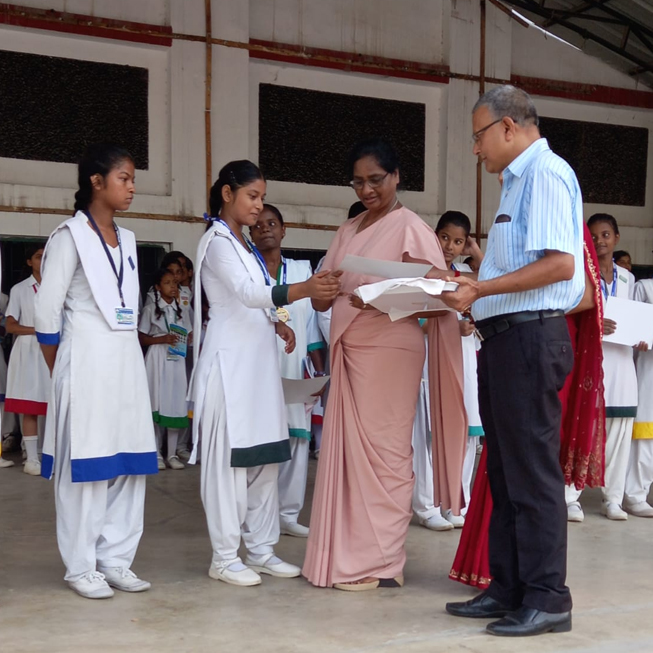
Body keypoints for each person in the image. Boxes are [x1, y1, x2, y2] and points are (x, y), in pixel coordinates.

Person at [441, 86, 584, 637]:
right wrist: (476, 293)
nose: (475, 149)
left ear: (506, 127)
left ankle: (549, 598)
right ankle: (509, 587)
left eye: (478, 136)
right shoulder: (514, 184)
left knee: (533, 476)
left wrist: (480, 289)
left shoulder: (545, 174)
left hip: (529, 340)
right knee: (502, 472)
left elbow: (559, 266)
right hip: (503, 340)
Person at [303, 138, 466, 591]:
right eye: (358, 181)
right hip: (351, 347)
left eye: (376, 180)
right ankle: (347, 556)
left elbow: (439, 293)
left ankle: (382, 562)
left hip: (392, 345)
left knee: (387, 454)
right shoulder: (349, 228)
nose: (367, 189)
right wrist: (325, 285)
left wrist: (381, 295)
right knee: (350, 456)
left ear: (396, 177)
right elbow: (330, 280)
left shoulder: (412, 227)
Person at [190, 160, 341, 587]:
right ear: (227, 194)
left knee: (266, 459)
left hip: (258, 365)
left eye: (261, 197)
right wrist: (304, 291)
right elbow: (246, 292)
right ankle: (224, 556)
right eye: (252, 196)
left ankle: (259, 549)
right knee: (229, 466)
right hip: (229, 364)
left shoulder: (244, 244)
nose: (259, 206)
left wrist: (278, 320)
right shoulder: (218, 241)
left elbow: (258, 298)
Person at [449, 221, 606, 590]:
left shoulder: (559, 214)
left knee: (530, 468)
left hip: (541, 343)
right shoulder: (516, 220)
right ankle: (502, 580)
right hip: (509, 345)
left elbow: (586, 295)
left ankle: (540, 591)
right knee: (502, 465)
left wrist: (527, 302)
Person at [34, 143, 158, 600]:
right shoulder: (69, 235)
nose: (131, 187)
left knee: (128, 463)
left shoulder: (126, 240)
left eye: (132, 179)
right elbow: (48, 313)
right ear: (96, 182)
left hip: (125, 363)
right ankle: (81, 566)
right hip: (85, 362)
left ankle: (116, 559)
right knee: (85, 466)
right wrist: (61, 369)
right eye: (123, 178)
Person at [250, 204, 326, 538]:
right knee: (260, 444)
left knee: (297, 441)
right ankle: (256, 514)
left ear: (284, 230)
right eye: (258, 225)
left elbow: (310, 326)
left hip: (295, 368)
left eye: (272, 223)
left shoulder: (300, 271)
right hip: (256, 370)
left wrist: (318, 375)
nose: (265, 229)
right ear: (250, 233)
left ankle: (288, 514)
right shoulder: (247, 270)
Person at [566, 214, 639, 521]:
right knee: (582, 425)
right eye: (594, 236)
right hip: (589, 358)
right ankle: (570, 497)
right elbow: (568, 311)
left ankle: (613, 499)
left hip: (623, 362)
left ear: (617, 238)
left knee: (621, 431)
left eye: (606, 234)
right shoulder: (580, 273)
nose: (599, 241)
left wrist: (641, 336)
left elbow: (635, 316)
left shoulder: (627, 278)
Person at [435, 211, 485, 525]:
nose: (450, 247)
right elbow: (419, 319)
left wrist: (476, 251)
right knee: (434, 433)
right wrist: (454, 328)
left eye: (458, 241)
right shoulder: (424, 272)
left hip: (467, 356)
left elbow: (491, 277)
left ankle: (459, 501)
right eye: (444, 238)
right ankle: (430, 504)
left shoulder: (465, 272)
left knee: (468, 433)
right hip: (435, 357)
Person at [139, 267, 193, 471]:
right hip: (157, 357)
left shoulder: (182, 309)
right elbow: (142, 337)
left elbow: (188, 332)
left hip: (176, 358)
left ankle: (171, 454)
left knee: (174, 402)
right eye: (168, 283)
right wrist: (162, 338)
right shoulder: (151, 309)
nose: (173, 287)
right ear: (158, 287)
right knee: (156, 402)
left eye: (175, 283)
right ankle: (155, 453)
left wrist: (185, 338)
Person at [5, 246, 50, 476]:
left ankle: (52, 453)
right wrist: (38, 330)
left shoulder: (58, 288)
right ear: (29, 261)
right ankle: (32, 458)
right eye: (39, 256)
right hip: (29, 351)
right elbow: (10, 325)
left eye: (47, 256)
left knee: (56, 404)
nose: (43, 260)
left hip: (54, 349)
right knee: (30, 404)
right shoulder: (20, 290)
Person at [625, 276, 653, 517]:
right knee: (646, 432)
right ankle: (636, 494)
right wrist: (638, 339)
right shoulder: (645, 288)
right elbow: (631, 327)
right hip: (649, 367)